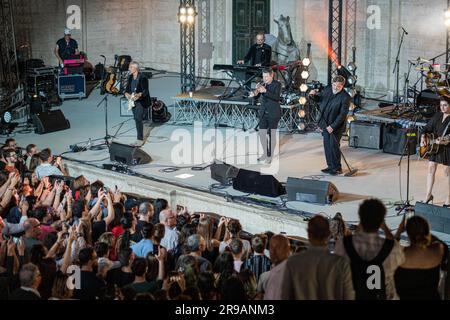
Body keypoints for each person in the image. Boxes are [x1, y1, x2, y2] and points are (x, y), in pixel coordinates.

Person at [334, 198, 405, 300]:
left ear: (360, 217)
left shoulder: (343, 244)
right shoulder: (392, 248)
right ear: (381, 221)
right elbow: (394, 249)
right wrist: (386, 229)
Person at [281, 216, 355, 300]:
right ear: (328, 234)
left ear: (308, 233)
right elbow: (349, 296)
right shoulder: (341, 263)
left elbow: (285, 295)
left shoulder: (293, 262)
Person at [394, 216, 446, 300]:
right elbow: (441, 244)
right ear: (427, 231)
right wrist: (423, 230)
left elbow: (390, 248)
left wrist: (399, 231)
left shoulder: (399, 254)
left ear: (408, 233)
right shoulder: (438, 250)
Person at [310, 75, 350, 175]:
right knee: (327, 145)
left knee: (334, 146)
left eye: (338, 86)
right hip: (325, 123)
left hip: (336, 126)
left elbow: (342, 114)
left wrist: (333, 126)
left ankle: (337, 168)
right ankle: (330, 166)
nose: (335, 88)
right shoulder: (328, 90)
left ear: (342, 86)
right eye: (334, 85)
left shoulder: (345, 97)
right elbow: (319, 100)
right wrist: (312, 95)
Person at [421, 97, 450, 206]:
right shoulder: (438, 115)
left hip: (447, 148)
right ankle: (428, 195)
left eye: (445, 105)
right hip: (435, 147)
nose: (442, 107)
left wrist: (445, 141)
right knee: (430, 168)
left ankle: (449, 197)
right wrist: (423, 137)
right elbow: (426, 128)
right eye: (441, 105)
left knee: (447, 172)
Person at [249, 68, 282, 164]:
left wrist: (265, 91)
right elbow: (258, 96)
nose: (265, 78)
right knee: (262, 134)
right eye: (263, 76)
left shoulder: (277, 84)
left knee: (271, 135)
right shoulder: (262, 84)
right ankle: (265, 153)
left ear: (272, 75)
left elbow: (277, 98)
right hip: (263, 112)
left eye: (267, 76)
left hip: (273, 113)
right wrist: (254, 94)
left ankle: (270, 155)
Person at [124, 61, 152, 146]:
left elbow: (145, 91)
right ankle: (139, 136)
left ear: (135, 68)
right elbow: (127, 90)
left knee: (137, 118)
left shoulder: (143, 77)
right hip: (132, 101)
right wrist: (127, 95)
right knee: (137, 119)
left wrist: (139, 95)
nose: (129, 69)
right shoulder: (130, 77)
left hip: (141, 101)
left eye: (130, 67)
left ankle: (140, 139)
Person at [261, 234, 290, 300]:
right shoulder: (271, 271)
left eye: (278, 247)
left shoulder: (290, 274)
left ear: (288, 249)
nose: (273, 251)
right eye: (271, 247)